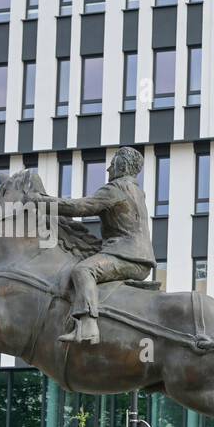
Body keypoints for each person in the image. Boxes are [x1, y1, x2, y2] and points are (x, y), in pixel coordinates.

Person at [40, 146, 156, 344]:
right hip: (140, 258)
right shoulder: (137, 191)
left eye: (112, 164)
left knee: (83, 271)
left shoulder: (116, 188)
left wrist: (42, 202)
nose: (108, 169)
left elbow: (81, 206)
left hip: (125, 256)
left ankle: (87, 326)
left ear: (122, 165)